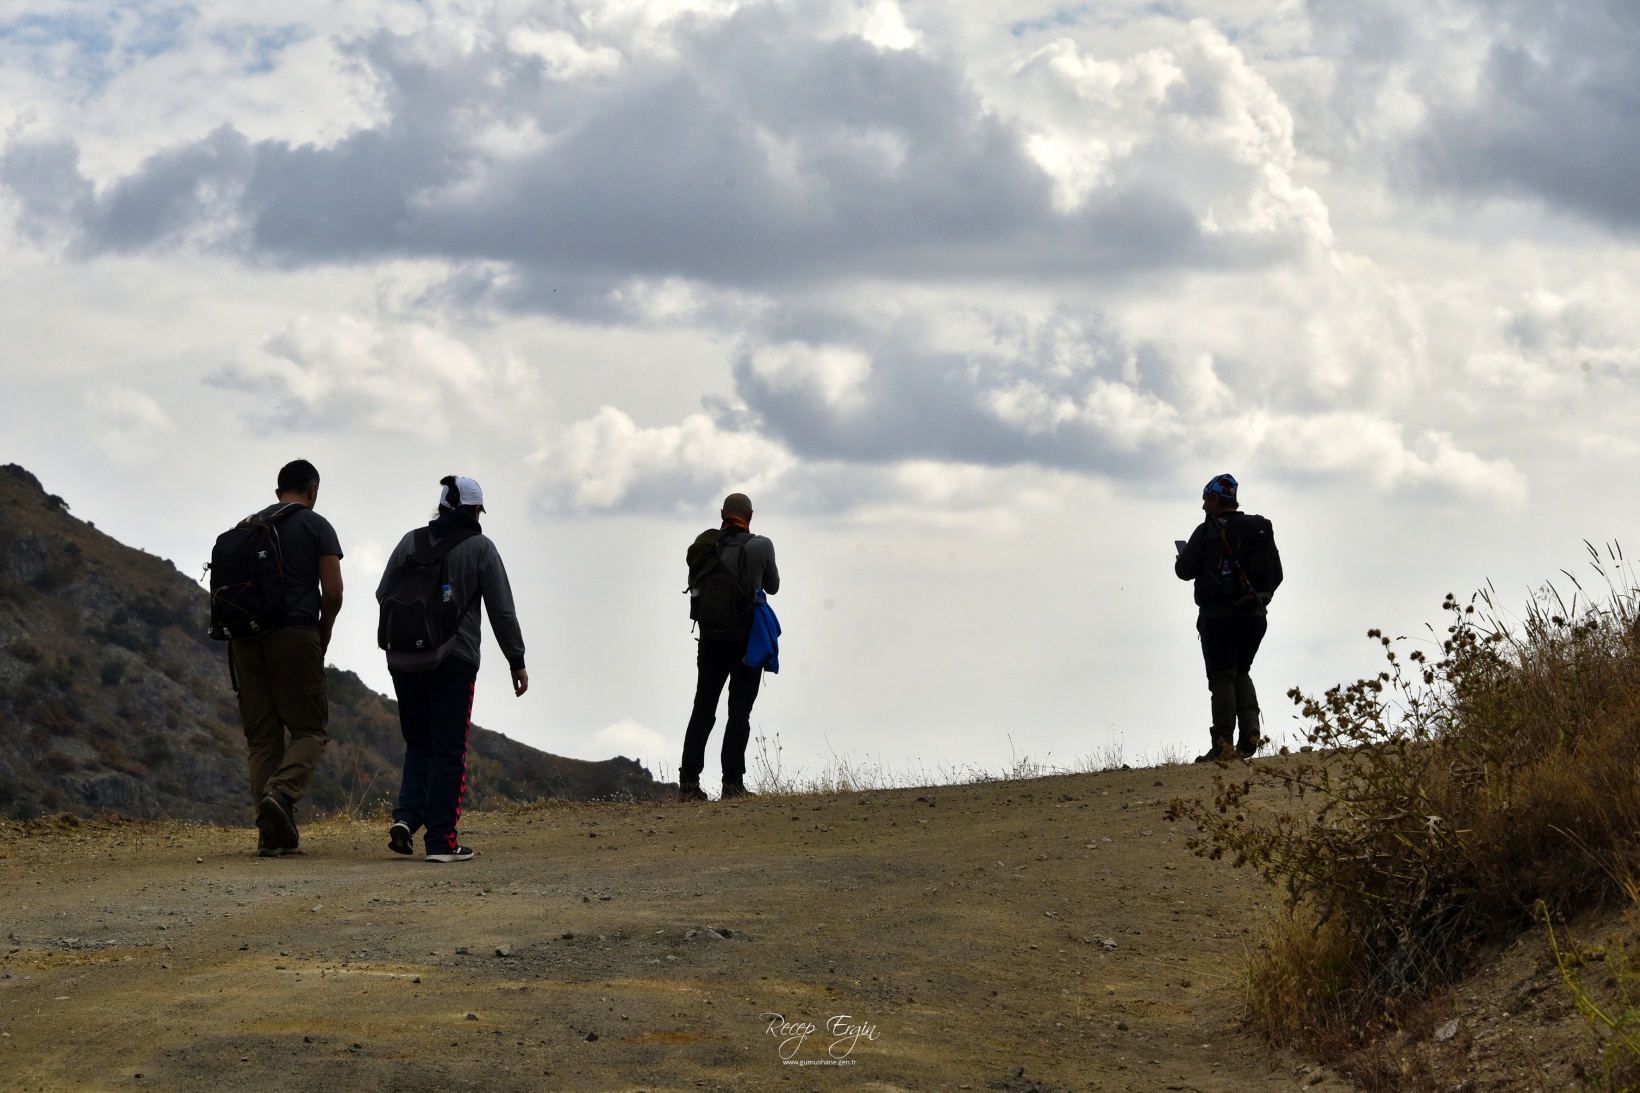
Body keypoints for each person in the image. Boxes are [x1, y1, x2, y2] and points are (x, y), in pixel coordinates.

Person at [377, 476, 527, 862]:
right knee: (449, 751)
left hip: (403, 659)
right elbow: (501, 610)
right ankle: (442, 841)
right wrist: (516, 660)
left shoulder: (410, 541)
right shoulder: (480, 547)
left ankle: (407, 819)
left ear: (442, 508)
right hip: (452, 660)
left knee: (419, 744)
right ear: (476, 511)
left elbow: (383, 593)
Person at [230, 459, 344, 857]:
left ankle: (270, 834)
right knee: (311, 729)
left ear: (278, 492)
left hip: (244, 639)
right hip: (294, 633)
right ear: (312, 490)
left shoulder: (248, 526)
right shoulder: (316, 525)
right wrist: (323, 631)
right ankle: (282, 794)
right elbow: (332, 592)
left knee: (262, 738)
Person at [1174, 474, 1283, 762]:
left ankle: (1222, 745)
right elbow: (1277, 573)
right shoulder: (1257, 529)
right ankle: (1250, 732)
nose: (1203, 507)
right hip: (1255, 614)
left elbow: (1184, 572)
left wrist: (1183, 559)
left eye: (1205, 500)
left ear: (1214, 499)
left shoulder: (1208, 530)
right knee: (1241, 671)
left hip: (1219, 616)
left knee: (1221, 678)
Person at [679, 492, 779, 801]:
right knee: (739, 713)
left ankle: (689, 785)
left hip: (709, 641)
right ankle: (732, 785)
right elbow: (772, 587)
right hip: (744, 643)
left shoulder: (704, 545)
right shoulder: (761, 545)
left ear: (722, 513)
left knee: (703, 710)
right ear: (751, 515)